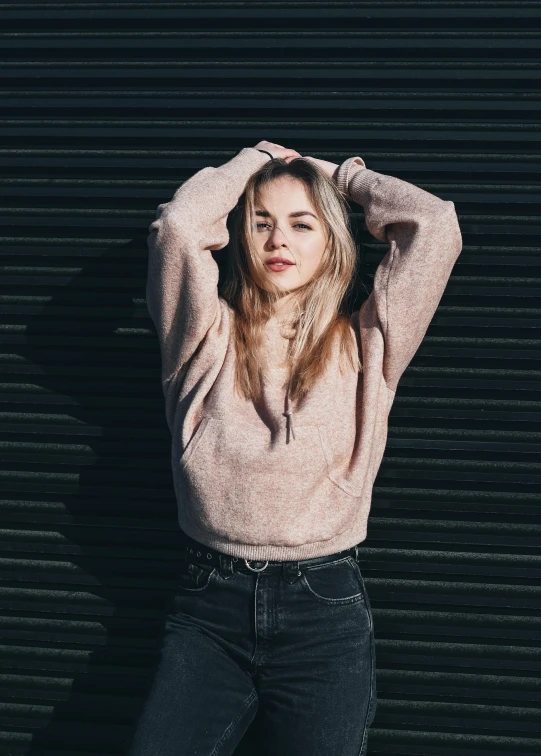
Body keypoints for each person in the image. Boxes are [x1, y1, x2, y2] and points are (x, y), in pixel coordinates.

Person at [125, 141, 463, 756]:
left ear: (331, 239)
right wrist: (254, 162)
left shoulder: (368, 344)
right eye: (262, 223)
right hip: (209, 609)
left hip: (325, 614)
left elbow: (434, 225)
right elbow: (177, 228)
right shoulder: (202, 336)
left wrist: (339, 175)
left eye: (302, 223)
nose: (279, 239)